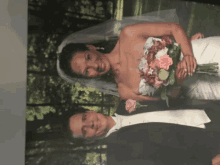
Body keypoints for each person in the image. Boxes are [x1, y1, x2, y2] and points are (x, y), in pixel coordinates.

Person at [68, 99, 220, 165]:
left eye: (85, 117)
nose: (90, 123)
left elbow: (170, 97)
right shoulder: (118, 159)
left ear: (89, 111)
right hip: (209, 151)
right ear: (89, 140)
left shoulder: (126, 103)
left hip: (211, 113)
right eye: (84, 130)